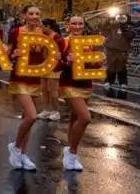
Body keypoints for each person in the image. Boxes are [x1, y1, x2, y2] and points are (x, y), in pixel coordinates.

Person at [7, 4, 59, 171]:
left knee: (27, 119)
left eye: (37, 13)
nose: (35, 16)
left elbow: (48, 53)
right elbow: (6, 53)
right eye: (31, 13)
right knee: (31, 116)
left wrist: (55, 55)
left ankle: (23, 153)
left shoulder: (43, 34)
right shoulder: (16, 32)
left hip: (35, 78)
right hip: (20, 77)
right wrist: (13, 54)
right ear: (25, 15)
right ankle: (15, 147)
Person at [58, 15, 99, 171]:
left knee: (74, 119)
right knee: (85, 117)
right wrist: (67, 61)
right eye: (73, 23)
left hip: (86, 83)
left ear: (84, 25)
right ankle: (72, 153)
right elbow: (55, 65)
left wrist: (98, 61)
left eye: (80, 23)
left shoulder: (90, 42)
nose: (77, 26)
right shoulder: (63, 42)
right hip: (68, 83)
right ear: (68, 25)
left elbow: (93, 65)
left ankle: (70, 152)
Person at [39, 18, 63, 121]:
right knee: (44, 90)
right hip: (44, 66)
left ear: (48, 26)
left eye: (42, 26)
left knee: (53, 90)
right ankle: (46, 109)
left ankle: (55, 111)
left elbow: (60, 52)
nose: (40, 27)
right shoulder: (44, 36)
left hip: (53, 67)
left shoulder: (56, 37)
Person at [103, 15, 133, 89]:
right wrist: (108, 20)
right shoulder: (111, 26)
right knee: (111, 67)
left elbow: (130, 36)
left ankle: (123, 82)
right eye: (119, 18)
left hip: (122, 51)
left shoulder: (128, 27)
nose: (120, 20)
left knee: (121, 67)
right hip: (111, 50)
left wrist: (124, 28)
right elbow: (103, 29)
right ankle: (109, 81)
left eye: (122, 19)